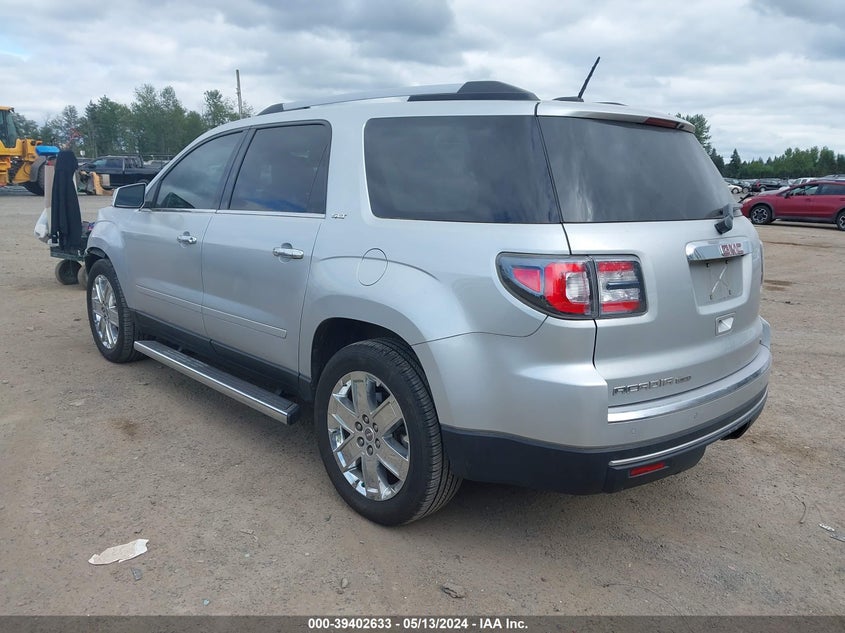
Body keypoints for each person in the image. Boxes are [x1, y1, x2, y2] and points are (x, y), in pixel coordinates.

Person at [50, 144, 82, 252]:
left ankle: (66, 240)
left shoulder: (59, 181)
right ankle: (71, 243)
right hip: (69, 231)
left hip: (62, 229)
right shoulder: (67, 183)